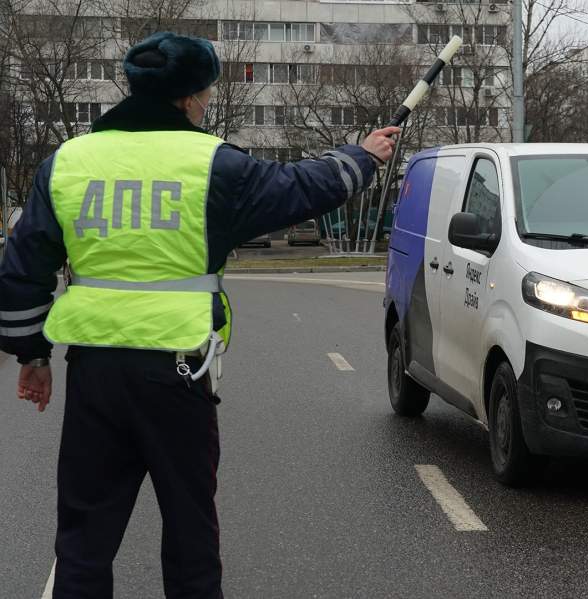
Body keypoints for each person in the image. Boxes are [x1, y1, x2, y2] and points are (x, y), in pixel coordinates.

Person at [0, 32, 399, 598]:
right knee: (190, 531)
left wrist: (33, 357)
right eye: (208, 93)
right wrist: (363, 155)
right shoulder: (213, 164)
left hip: (93, 373)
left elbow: (22, 270)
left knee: (84, 538)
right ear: (190, 98)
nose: (208, 103)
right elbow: (301, 187)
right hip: (178, 372)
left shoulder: (67, 162)